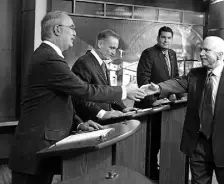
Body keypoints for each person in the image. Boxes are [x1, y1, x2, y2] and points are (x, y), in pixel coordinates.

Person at [8, 11, 146, 184]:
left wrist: (79, 123)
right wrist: (124, 91)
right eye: (72, 28)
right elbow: (85, 90)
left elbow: (59, 102)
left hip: (41, 149)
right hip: (34, 151)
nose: (75, 33)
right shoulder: (48, 59)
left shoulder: (50, 56)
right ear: (58, 29)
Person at [148, 36, 224, 184]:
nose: (201, 54)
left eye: (206, 50)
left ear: (220, 55)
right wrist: (159, 87)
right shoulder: (195, 74)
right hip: (198, 144)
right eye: (201, 50)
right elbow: (177, 83)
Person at [136, 26, 185, 180]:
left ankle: (160, 171)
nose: (166, 40)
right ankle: (149, 172)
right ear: (158, 38)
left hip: (168, 106)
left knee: (163, 140)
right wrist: (154, 101)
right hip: (152, 106)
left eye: (169, 38)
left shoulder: (172, 54)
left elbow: (176, 78)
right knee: (152, 142)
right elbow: (143, 80)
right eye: (163, 37)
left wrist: (180, 97)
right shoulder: (148, 53)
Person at [72, 29, 136, 122]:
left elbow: (107, 92)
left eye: (116, 49)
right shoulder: (83, 63)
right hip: (91, 122)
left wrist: (122, 108)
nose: (114, 53)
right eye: (112, 48)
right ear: (100, 44)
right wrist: (102, 113)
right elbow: (80, 97)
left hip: (104, 121)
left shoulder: (103, 64)